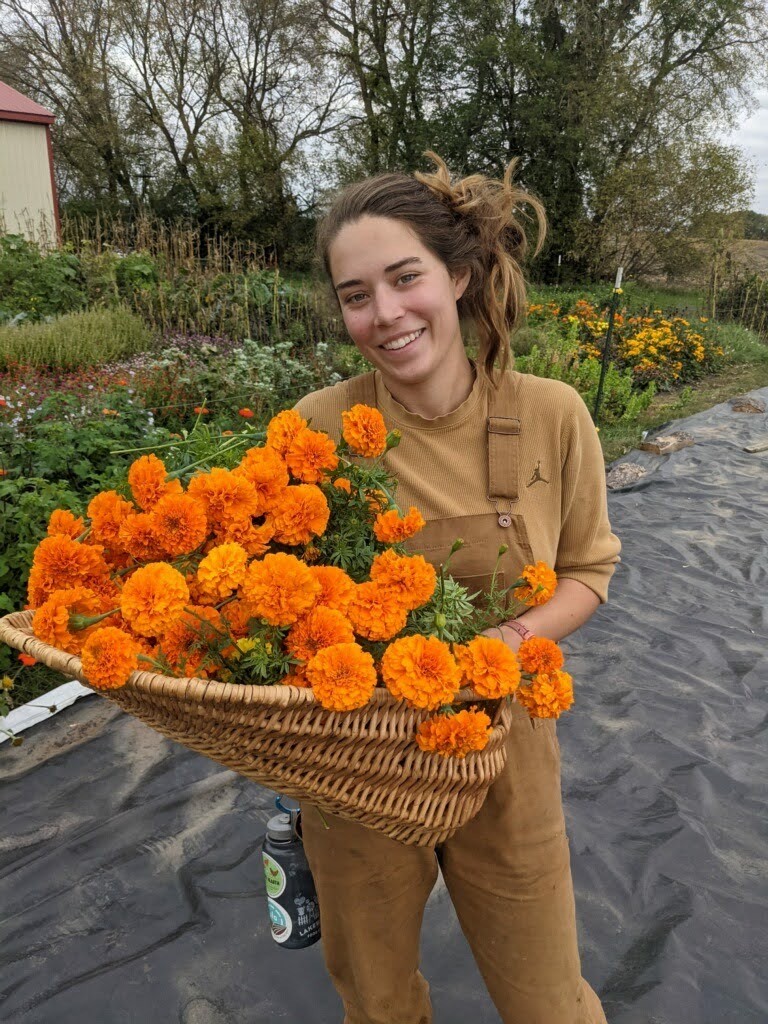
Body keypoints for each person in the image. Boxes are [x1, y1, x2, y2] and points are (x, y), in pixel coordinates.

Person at [292, 150, 621, 1024]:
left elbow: (590, 568)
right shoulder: (317, 432)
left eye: (405, 279)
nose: (385, 314)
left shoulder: (553, 415)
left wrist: (509, 643)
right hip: (354, 758)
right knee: (376, 1000)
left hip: (504, 751)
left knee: (550, 999)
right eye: (357, 295)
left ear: (461, 274)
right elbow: (267, 587)